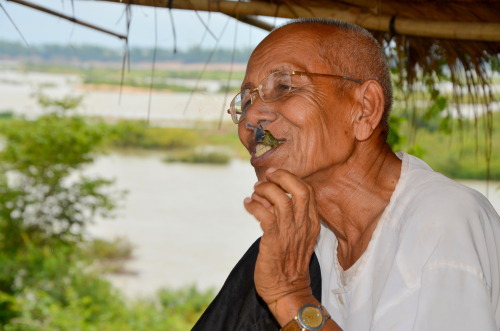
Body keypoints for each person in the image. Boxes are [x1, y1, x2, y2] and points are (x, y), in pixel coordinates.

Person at [192, 18, 500, 331]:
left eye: (284, 87)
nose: (251, 117)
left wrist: (292, 296)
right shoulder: (314, 242)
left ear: (364, 109)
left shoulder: (441, 220)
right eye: (246, 100)